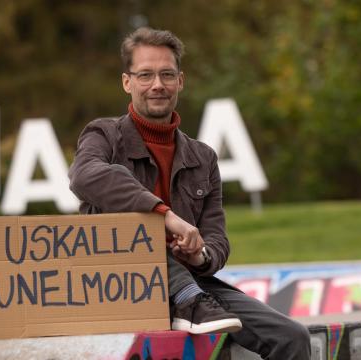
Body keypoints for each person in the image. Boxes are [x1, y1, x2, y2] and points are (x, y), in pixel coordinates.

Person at [69, 27, 310, 359]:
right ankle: (185, 297)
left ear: (180, 81)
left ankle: (186, 296)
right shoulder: (103, 135)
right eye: (145, 75)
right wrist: (166, 217)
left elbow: (217, 239)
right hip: (119, 284)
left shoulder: (203, 158)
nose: (157, 84)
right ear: (127, 82)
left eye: (167, 75)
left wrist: (200, 254)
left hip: (197, 291)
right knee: (117, 188)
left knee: (292, 337)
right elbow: (82, 176)